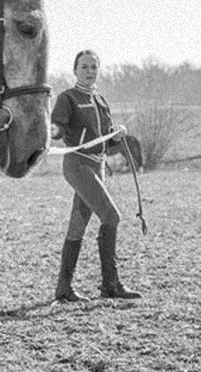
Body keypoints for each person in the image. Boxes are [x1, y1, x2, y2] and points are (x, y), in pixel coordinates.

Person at [51, 50, 141, 302]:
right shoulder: (67, 98)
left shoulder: (100, 100)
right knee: (112, 216)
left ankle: (63, 289)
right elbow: (58, 128)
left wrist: (116, 136)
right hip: (77, 165)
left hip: (97, 165)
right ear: (75, 70)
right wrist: (53, 129)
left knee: (77, 227)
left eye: (93, 67)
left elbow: (106, 142)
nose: (89, 71)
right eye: (84, 67)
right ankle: (110, 285)